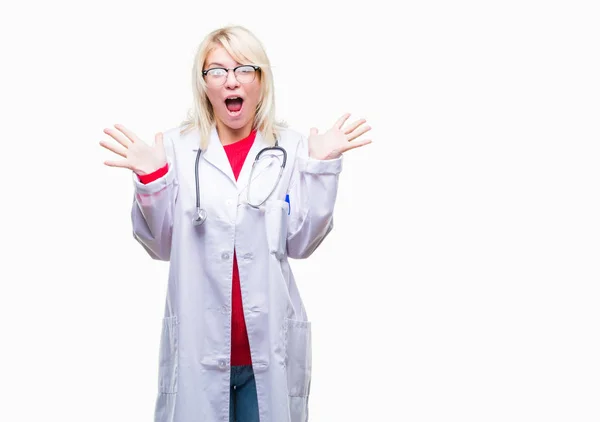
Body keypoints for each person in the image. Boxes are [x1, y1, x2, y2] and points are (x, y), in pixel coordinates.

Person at [99, 25, 372, 422]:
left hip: (265, 352)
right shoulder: (174, 147)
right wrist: (152, 180)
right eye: (217, 71)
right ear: (204, 83)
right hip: (199, 348)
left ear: (261, 81)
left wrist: (321, 168)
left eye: (245, 69)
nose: (231, 81)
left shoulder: (291, 147)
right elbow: (160, 246)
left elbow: (302, 242)